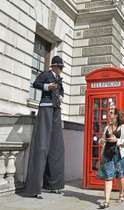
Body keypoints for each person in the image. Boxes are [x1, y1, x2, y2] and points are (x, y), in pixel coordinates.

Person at [25, 55, 65, 199]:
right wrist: (47, 86)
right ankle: (34, 188)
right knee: (41, 146)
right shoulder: (45, 74)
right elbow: (35, 84)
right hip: (46, 107)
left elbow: (62, 92)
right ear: (54, 66)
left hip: (56, 109)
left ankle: (54, 185)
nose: (61, 69)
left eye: (61, 67)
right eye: (59, 67)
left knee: (56, 147)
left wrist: (60, 96)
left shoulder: (59, 79)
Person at [97, 108, 124, 209]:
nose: (109, 113)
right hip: (107, 154)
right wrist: (102, 141)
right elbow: (102, 138)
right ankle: (106, 201)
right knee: (108, 177)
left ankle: (121, 193)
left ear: (116, 115)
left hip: (118, 154)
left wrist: (117, 140)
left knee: (120, 176)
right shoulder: (107, 126)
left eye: (111, 112)